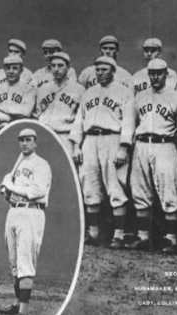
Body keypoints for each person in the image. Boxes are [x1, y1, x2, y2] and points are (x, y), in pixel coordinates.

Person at [70, 56, 133, 249]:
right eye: (98, 70)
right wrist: (76, 146)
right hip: (90, 139)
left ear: (113, 71)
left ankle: (119, 234)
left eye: (104, 70)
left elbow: (129, 122)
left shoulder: (124, 92)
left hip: (112, 139)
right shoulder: (88, 93)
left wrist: (124, 146)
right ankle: (93, 233)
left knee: (115, 185)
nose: (100, 73)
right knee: (89, 184)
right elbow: (79, 121)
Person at [124, 59, 177, 253]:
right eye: (152, 73)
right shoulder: (139, 96)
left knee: (168, 190)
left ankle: (171, 238)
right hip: (141, 144)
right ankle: (143, 237)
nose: (155, 77)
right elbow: (130, 122)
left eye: (159, 73)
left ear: (166, 74)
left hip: (165, 144)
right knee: (140, 190)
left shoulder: (176, 97)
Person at [0, 128, 52, 315]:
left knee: (25, 262)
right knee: (14, 262)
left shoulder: (41, 164)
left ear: (35, 142)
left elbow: (37, 192)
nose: (24, 143)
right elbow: (11, 189)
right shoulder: (19, 164)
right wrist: (7, 190)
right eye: (21, 140)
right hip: (14, 211)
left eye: (28, 140)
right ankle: (17, 304)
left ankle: (24, 312)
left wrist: (11, 186)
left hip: (31, 213)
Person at [34, 52, 84, 155]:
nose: (56, 69)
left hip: (65, 136)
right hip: (45, 135)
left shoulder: (78, 89)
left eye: (60, 65)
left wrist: (76, 145)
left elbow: (80, 121)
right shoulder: (43, 89)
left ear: (68, 67)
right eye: (53, 66)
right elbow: (37, 114)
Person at [0, 55, 36, 144]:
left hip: (18, 132)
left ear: (21, 70)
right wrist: (7, 117)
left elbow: (25, 112)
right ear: (4, 69)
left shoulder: (29, 89)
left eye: (15, 68)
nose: (11, 71)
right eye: (8, 68)